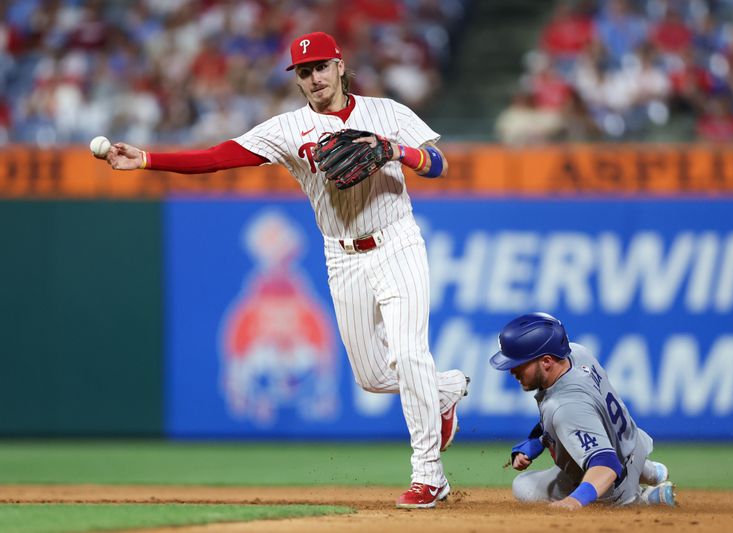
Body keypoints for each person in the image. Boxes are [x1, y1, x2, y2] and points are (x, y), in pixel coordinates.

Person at [100, 31, 470, 509]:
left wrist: (397, 151)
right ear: (297, 80)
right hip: (342, 254)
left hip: (397, 241)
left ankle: (429, 476)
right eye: (303, 71)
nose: (313, 78)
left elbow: (439, 165)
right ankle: (444, 391)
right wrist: (149, 159)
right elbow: (218, 158)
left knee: (408, 352)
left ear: (340, 66)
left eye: (320, 66)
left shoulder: (387, 112)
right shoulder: (287, 130)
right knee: (373, 377)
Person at [489, 312, 675, 509]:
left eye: (519, 363)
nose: (512, 370)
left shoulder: (565, 407)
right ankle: (649, 471)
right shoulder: (577, 354)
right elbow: (587, 413)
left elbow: (606, 465)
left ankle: (644, 499)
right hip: (634, 445)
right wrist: (536, 442)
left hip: (611, 483)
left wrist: (573, 501)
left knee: (523, 486)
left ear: (546, 361)